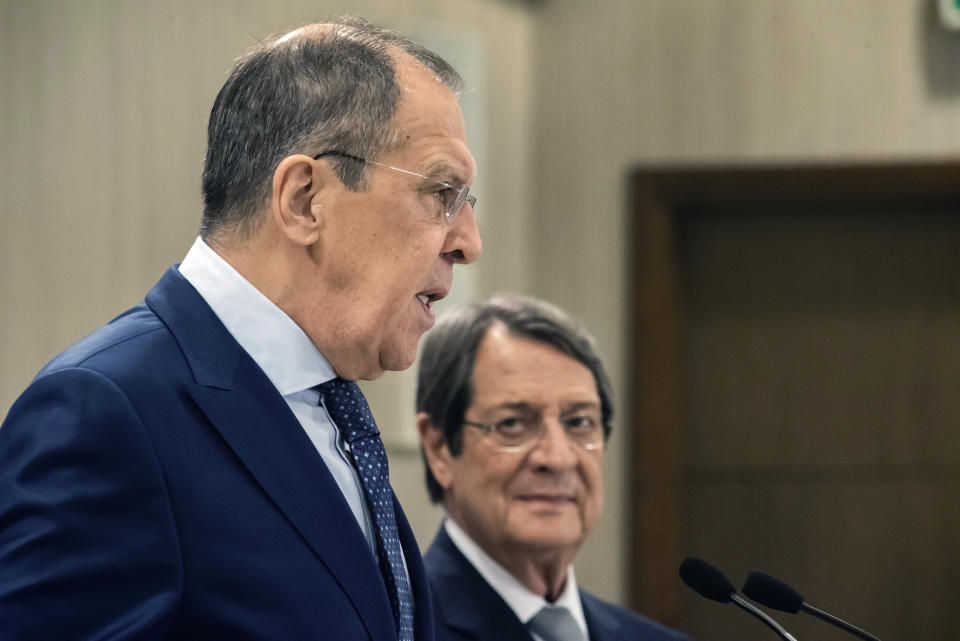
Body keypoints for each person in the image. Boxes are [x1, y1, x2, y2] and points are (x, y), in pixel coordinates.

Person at [0, 16, 480, 640]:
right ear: (305, 199)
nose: (468, 241)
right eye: (442, 192)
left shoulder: (333, 409)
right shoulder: (105, 414)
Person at [415, 295, 691, 641]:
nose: (558, 458)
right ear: (438, 448)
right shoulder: (397, 629)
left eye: (579, 422)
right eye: (513, 423)